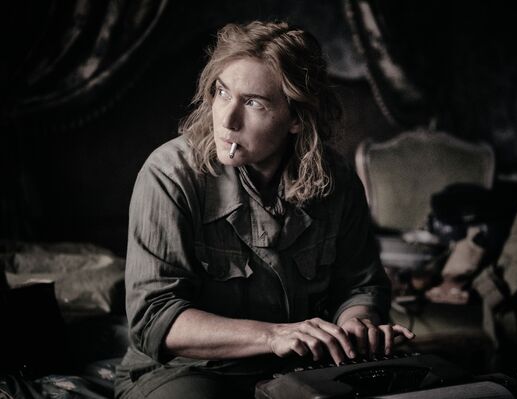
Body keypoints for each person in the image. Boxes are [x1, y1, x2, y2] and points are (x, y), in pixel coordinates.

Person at [115, 20, 414, 399]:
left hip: (299, 367)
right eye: (222, 93)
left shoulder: (336, 180)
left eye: (253, 102)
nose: (227, 119)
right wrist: (272, 335)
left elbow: (360, 285)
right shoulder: (169, 175)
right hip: (184, 371)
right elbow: (154, 318)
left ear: (295, 119)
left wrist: (357, 325)